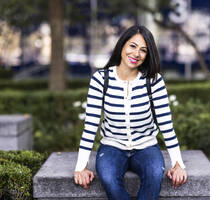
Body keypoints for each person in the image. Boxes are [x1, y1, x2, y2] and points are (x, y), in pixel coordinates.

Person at [74, 25, 187, 200]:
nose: (136, 54)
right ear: (122, 46)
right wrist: (80, 167)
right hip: (112, 146)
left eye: (143, 50)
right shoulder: (100, 79)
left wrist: (178, 164)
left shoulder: (154, 81)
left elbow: (166, 125)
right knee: (109, 178)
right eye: (132, 46)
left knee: (155, 175)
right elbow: (90, 126)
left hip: (146, 146)